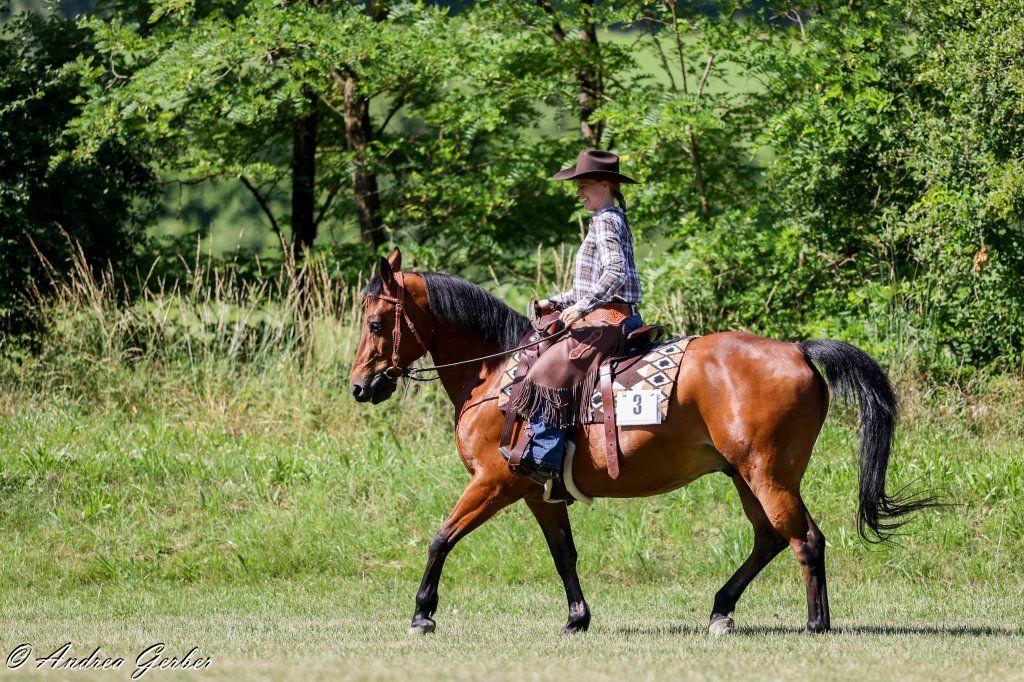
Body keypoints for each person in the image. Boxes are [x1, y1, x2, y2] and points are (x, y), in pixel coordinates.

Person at [500, 149, 644, 484]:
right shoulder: (605, 219)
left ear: (605, 184)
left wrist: (581, 307)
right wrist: (558, 301)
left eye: (584, 184)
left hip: (609, 319)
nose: (578, 191)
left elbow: (615, 274)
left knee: (546, 370)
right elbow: (593, 283)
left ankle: (545, 456)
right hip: (604, 313)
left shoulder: (607, 219)